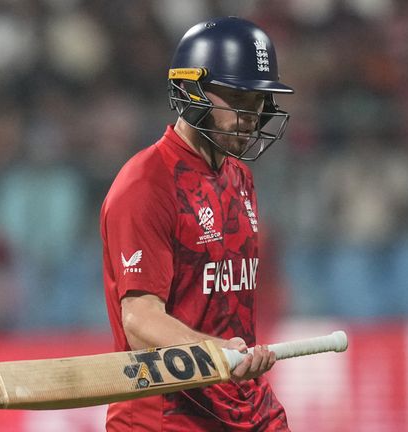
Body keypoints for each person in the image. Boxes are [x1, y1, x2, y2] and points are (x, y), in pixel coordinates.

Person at [100, 17, 293, 431]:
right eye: (236, 97)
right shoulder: (145, 185)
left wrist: (235, 357)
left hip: (239, 406)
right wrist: (218, 352)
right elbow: (139, 321)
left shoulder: (240, 176)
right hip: (164, 418)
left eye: (259, 101)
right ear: (190, 92)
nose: (250, 116)